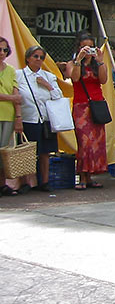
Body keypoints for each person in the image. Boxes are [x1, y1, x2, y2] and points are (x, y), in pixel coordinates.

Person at [16, 45, 63, 191]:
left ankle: (45, 181)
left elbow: (58, 96)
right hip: (28, 118)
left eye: (41, 57)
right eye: (35, 56)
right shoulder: (19, 75)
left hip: (44, 119)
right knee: (27, 152)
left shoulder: (48, 76)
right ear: (28, 58)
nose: (38, 59)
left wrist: (47, 85)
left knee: (45, 152)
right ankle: (27, 182)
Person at [68, 34, 109, 190]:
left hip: (96, 105)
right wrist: (79, 59)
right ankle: (82, 176)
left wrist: (100, 60)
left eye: (90, 46)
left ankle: (91, 176)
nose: (87, 50)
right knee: (84, 142)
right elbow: (75, 78)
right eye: (84, 47)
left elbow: (104, 80)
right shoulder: (73, 63)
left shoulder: (96, 65)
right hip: (81, 106)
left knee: (96, 142)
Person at [0, 36, 31, 195]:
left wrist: (18, 117)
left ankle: (2, 183)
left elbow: (16, 93)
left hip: (8, 114)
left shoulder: (10, 70)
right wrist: (11, 98)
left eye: (5, 50)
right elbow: (13, 96)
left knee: (5, 151)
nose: (2, 53)